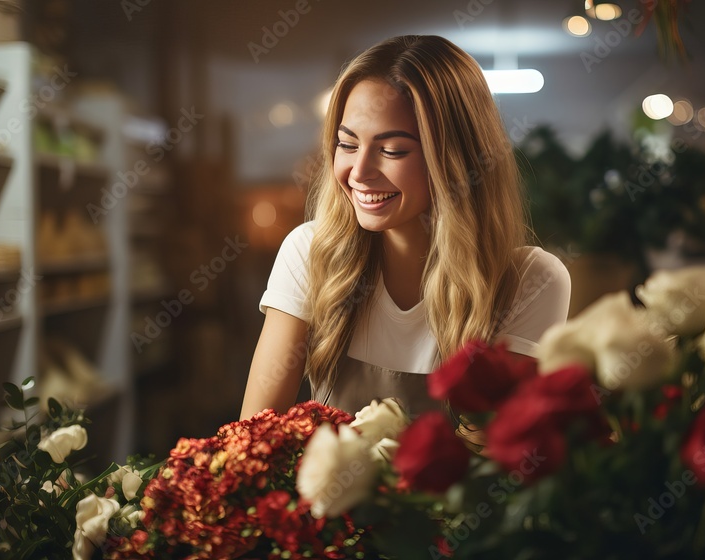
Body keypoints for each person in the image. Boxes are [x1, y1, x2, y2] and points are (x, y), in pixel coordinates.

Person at [239, 35, 571, 421]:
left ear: (455, 160)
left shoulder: (530, 280)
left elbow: (508, 461)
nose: (359, 173)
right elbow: (252, 438)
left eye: (392, 150)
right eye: (347, 145)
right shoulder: (309, 251)